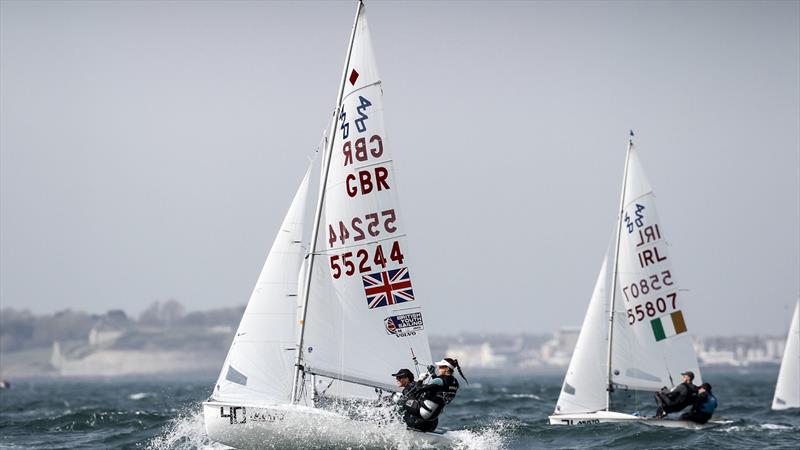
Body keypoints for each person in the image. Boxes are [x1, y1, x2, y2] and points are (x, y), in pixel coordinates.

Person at [395, 357, 468, 432]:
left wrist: (420, 379)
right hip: (433, 416)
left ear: (447, 369)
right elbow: (439, 387)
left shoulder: (439, 380)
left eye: (441, 367)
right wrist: (433, 374)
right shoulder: (455, 382)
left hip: (424, 413)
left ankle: (394, 425)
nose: (438, 368)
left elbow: (418, 390)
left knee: (400, 400)